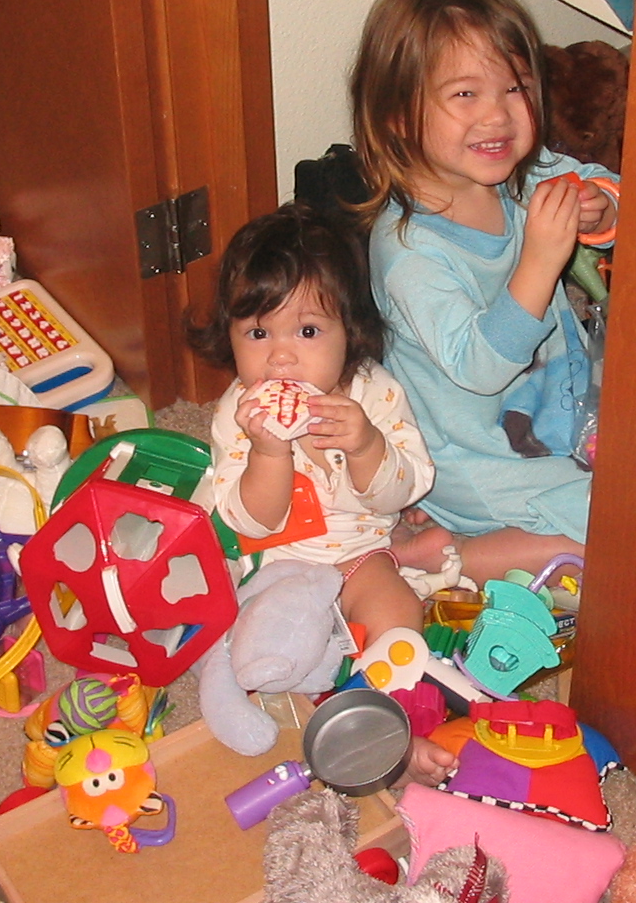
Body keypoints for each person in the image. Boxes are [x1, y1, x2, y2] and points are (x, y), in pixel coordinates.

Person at [350, 0, 620, 587]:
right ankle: (447, 558)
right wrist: (538, 262)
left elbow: (593, 176)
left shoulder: (520, 175)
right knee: (611, 535)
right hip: (473, 456)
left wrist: (601, 207)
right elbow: (478, 365)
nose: (498, 116)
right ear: (396, 118)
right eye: (465, 95)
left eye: (515, 88)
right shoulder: (410, 250)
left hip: (560, 409)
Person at [191, 202, 455, 783]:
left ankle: (388, 719)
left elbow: (406, 486)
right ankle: (322, 707)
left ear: (350, 332)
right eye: (258, 332)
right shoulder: (239, 410)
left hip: (358, 556)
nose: (281, 355)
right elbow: (248, 523)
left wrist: (366, 447)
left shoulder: (376, 395)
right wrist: (268, 451)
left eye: (307, 331)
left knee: (398, 613)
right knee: (267, 647)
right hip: (275, 565)